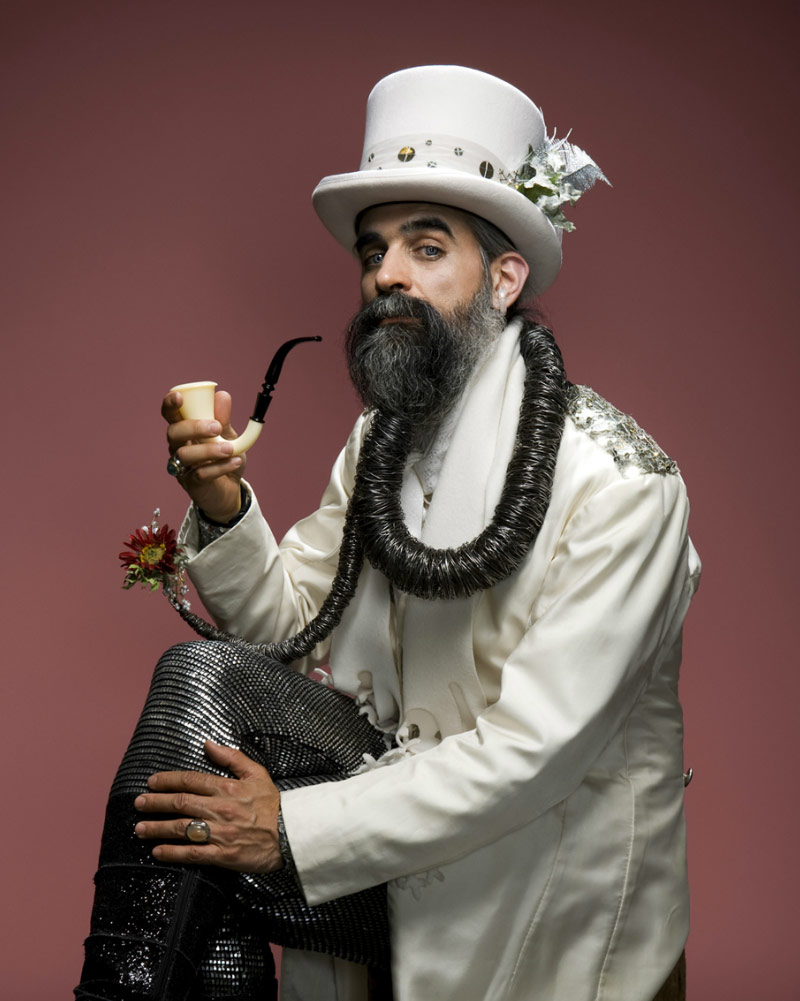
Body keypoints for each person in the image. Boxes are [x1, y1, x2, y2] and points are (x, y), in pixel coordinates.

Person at [76, 66, 700, 1001]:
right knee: (199, 684)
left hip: (536, 879)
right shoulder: (382, 440)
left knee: (223, 826)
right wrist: (221, 503)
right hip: (385, 829)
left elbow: (532, 754)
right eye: (374, 252)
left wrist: (289, 828)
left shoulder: (623, 485)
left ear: (504, 278)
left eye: (427, 246)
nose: (386, 275)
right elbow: (286, 628)